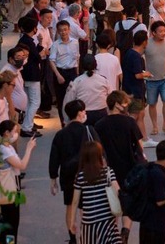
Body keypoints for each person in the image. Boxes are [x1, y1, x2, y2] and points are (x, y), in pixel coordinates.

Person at [94, 90, 146, 242]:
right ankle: (125, 232)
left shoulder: (99, 125)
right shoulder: (129, 122)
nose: (126, 106)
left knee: (112, 203)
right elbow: (139, 144)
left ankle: (114, 234)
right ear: (117, 104)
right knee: (128, 203)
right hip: (129, 167)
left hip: (110, 169)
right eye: (124, 103)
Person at [49, 100, 100, 244]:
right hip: (88, 173)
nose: (85, 113)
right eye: (83, 111)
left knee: (70, 205)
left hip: (68, 174)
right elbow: (100, 151)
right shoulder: (89, 130)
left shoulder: (61, 134)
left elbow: (54, 157)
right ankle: (86, 236)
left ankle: (72, 237)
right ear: (79, 113)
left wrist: (53, 178)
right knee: (85, 207)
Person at [68, 141, 123, 244]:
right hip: (107, 221)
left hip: (89, 222)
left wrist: (72, 221)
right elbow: (117, 190)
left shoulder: (80, 176)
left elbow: (75, 201)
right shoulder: (108, 172)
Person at [0, 120, 38, 244]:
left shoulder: (6, 147)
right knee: (11, 224)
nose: (16, 134)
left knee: (12, 222)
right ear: (7, 133)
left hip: (14, 187)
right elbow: (22, 165)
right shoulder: (5, 150)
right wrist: (29, 149)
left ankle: (6, 242)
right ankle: (10, 243)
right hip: (10, 190)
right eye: (14, 132)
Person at [139, 140, 165, 244]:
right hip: (155, 224)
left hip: (147, 221)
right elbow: (160, 201)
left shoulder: (152, 167)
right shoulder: (158, 174)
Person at [145, 21, 165, 136]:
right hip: (151, 80)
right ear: (153, 33)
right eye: (160, 31)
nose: (163, 33)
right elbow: (138, 56)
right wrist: (143, 72)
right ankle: (154, 126)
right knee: (152, 103)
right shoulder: (147, 44)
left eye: (164, 31)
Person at [63, 55, 112, 126]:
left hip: (83, 115)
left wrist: (66, 121)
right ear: (96, 65)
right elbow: (111, 98)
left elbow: (67, 101)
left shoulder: (77, 81)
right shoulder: (104, 80)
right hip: (102, 114)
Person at [16, 16, 44, 138]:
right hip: (32, 74)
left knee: (29, 101)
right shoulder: (29, 42)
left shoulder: (24, 40)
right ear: (33, 28)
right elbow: (37, 57)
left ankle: (28, 123)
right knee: (35, 101)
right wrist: (42, 52)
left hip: (25, 74)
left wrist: (40, 44)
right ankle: (27, 126)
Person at [50, 20, 80, 127]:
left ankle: (73, 122)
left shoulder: (75, 42)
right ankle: (63, 122)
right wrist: (58, 75)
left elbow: (77, 58)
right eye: (61, 30)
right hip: (60, 72)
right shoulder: (55, 45)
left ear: (69, 30)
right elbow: (52, 61)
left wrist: (77, 74)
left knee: (73, 98)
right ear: (58, 32)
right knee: (61, 99)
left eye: (65, 30)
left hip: (72, 72)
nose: (63, 32)